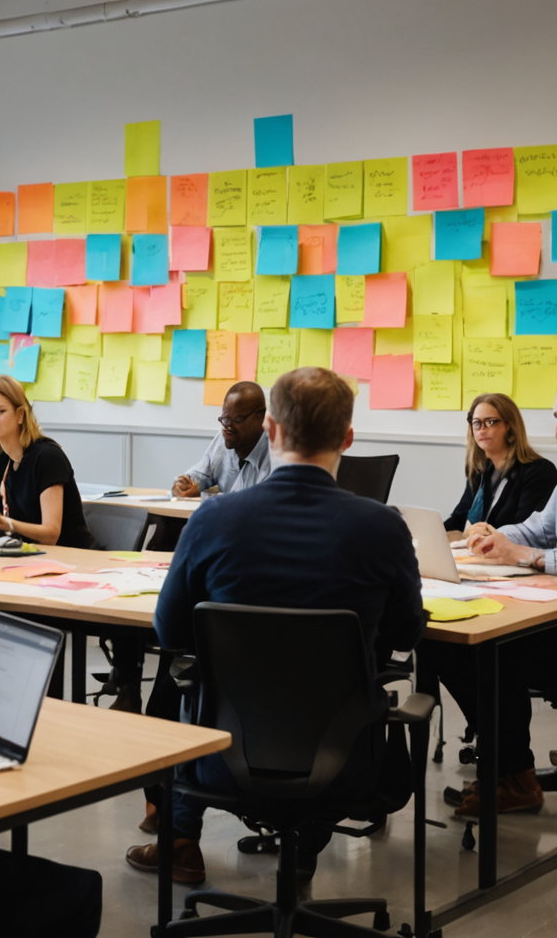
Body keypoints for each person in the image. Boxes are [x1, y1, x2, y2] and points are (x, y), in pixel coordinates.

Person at [125, 368, 425, 885]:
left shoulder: (212, 521)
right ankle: (304, 845)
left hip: (223, 754)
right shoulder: (383, 527)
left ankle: (179, 841)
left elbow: (170, 631)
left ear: (273, 431)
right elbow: (404, 637)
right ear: (348, 439)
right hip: (346, 756)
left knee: (181, 683)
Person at [426, 374, 557, 818]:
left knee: (492, 649)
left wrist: (523, 553)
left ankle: (515, 776)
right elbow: (538, 527)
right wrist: (492, 538)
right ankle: (509, 770)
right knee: (441, 644)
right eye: (556, 417)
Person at [0, 376, 94, 550]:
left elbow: (51, 534)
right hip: (25, 555)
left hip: (69, 557)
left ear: (20, 415)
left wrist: (5, 523)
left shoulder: (47, 457)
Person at [443, 392, 557, 535]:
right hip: (475, 553)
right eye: (477, 424)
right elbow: (458, 519)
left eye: (490, 422)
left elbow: (525, 534)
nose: (482, 430)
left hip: (512, 555)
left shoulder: (539, 472)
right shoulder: (480, 471)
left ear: (509, 425)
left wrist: (466, 536)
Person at [171, 381, 272, 497]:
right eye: (225, 419)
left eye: (237, 420)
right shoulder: (225, 438)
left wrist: (206, 495)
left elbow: (259, 504)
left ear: (259, 417)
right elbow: (202, 474)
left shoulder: (275, 453)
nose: (228, 427)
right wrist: (184, 485)